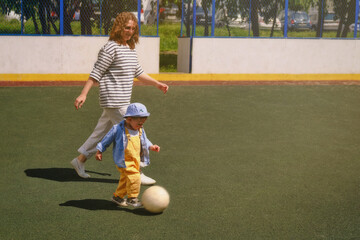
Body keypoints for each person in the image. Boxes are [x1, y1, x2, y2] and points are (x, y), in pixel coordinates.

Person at [70, 12, 168, 185]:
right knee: (133, 133)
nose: (129, 31)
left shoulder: (129, 49)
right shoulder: (110, 48)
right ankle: (136, 172)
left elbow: (138, 72)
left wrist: (156, 83)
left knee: (100, 134)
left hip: (122, 100)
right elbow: (96, 73)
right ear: (118, 27)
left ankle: (80, 160)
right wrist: (83, 93)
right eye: (126, 28)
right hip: (113, 100)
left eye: (132, 28)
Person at [95, 103, 160, 207]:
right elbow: (107, 139)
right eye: (139, 122)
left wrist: (151, 146)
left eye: (143, 122)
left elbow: (144, 140)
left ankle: (118, 197)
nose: (141, 125)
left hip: (135, 159)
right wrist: (99, 150)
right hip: (124, 160)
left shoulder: (140, 129)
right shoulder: (118, 129)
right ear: (129, 119)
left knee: (126, 180)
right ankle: (132, 198)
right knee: (135, 177)